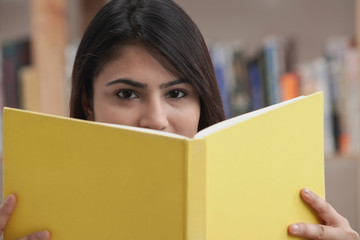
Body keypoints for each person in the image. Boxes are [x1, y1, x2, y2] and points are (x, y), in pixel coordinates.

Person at [0, 0, 359, 239]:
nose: (156, 120)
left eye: (177, 94)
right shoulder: (40, 215)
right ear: (87, 103)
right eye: (126, 94)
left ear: (202, 101)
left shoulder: (272, 210)